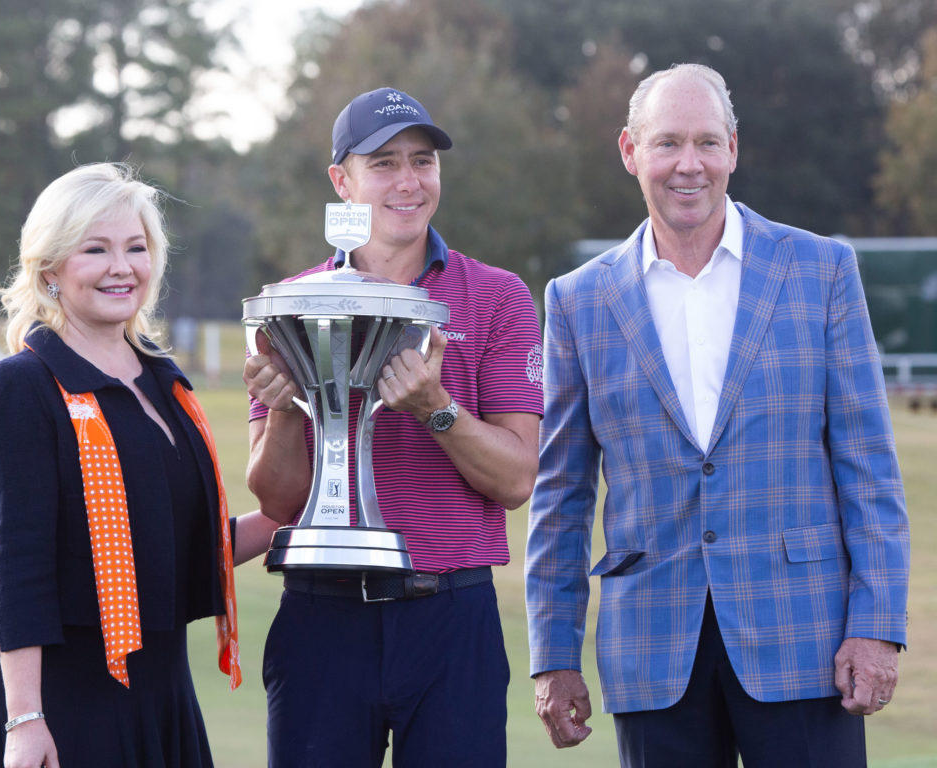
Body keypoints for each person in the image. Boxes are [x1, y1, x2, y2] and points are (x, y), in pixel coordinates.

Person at [525, 63, 911, 767]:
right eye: (667, 143)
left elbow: (869, 468)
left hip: (805, 642)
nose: (689, 164)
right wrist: (553, 654)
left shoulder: (821, 271)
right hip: (652, 654)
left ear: (734, 148)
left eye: (707, 142)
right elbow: (561, 496)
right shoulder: (579, 301)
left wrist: (877, 625)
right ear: (629, 152)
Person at [244, 86, 544, 767]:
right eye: (383, 163)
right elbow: (278, 500)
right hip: (323, 615)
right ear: (340, 181)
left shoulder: (497, 297)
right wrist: (290, 408)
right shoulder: (289, 308)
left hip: (449, 615)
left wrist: (434, 408)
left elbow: (516, 478)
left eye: (423, 162)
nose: (408, 181)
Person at [0, 162, 279, 768]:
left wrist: (301, 511)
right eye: (96, 249)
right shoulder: (23, 386)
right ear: (50, 269)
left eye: (136, 247)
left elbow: (178, 547)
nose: (121, 266)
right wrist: (25, 719)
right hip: (67, 706)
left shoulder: (165, 383)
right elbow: (21, 566)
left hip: (162, 697)